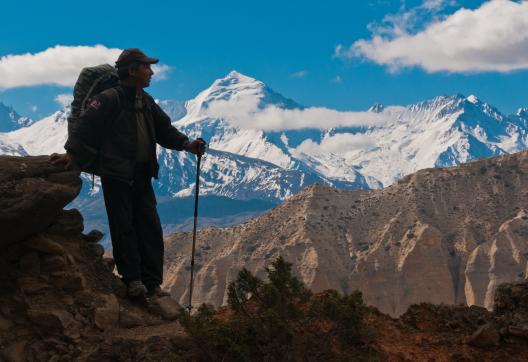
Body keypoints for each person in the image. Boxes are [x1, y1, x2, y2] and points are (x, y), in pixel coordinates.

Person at [51, 48, 205, 298]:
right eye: (146, 67)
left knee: (149, 228)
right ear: (132, 70)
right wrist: (72, 154)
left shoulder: (145, 101)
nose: (151, 71)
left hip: (142, 174)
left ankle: (152, 283)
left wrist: (187, 144)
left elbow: (164, 130)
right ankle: (133, 280)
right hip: (117, 174)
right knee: (124, 228)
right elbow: (86, 128)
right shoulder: (109, 99)